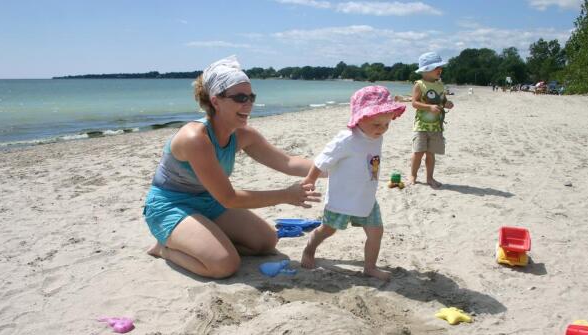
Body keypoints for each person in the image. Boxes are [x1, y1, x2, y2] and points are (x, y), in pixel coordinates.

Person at [143, 56, 320, 279]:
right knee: (224, 265)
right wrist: (286, 195)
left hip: (208, 201)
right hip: (170, 206)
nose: (249, 103)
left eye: (251, 96)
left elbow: (288, 162)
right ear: (215, 101)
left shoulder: (244, 135)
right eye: (240, 98)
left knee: (266, 242)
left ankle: (207, 242)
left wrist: (336, 166)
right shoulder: (195, 138)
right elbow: (229, 198)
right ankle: (164, 249)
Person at [300, 86, 406, 281]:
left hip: (366, 197)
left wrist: (378, 128)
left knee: (376, 232)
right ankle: (309, 250)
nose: (381, 129)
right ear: (359, 118)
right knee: (328, 230)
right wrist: (310, 179)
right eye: (377, 124)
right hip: (343, 198)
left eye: (386, 124)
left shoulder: (376, 136)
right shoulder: (346, 139)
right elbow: (322, 160)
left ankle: (370, 267)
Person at [408, 52, 454, 189]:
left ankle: (429, 178)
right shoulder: (419, 84)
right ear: (426, 70)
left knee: (430, 153)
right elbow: (414, 103)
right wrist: (429, 107)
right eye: (437, 67)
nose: (440, 70)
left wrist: (447, 104)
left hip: (436, 126)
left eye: (441, 67)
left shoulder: (440, 85)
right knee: (418, 152)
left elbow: (442, 101)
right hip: (421, 125)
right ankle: (413, 176)